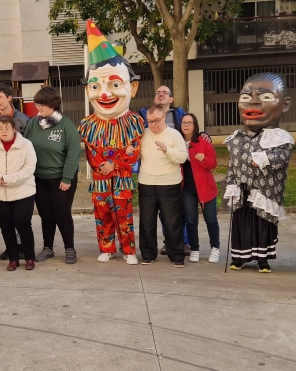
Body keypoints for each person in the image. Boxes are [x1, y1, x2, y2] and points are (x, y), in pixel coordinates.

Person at [78, 20, 144, 264]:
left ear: (132, 87)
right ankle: (107, 247)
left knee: (124, 215)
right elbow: (91, 153)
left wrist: (114, 165)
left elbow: (133, 152)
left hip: (124, 177)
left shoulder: (136, 122)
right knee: (102, 213)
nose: (104, 94)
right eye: (96, 86)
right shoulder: (87, 125)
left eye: (115, 84)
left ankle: (128, 251)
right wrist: (103, 167)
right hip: (99, 180)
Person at [223, 73, 294, 273]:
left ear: (285, 104)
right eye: (246, 97)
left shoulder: (281, 138)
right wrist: (232, 184)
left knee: (264, 224)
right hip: (243, 191)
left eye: (265, 97)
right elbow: (233, 165)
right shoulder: (235, 138)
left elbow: (280, 159)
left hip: (266, 192)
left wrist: (263, 159)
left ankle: (263, 259)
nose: (253, 102)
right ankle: (240, 257)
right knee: (242, 223)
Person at [24, 86, 81, 264]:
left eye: (42, 105)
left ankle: (69, 248)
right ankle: (48, 247)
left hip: (61, 178)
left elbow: (73, 153)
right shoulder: (33, 123)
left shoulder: (66, 125)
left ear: (54, 104)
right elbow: (25, 147)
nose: (38, 108)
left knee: (62, 214)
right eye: (37, 105)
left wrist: (66, 178)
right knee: (45, 214)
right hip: (39, 178)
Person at [0, 116, 37, 271]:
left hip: (22, 192)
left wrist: (8, 179)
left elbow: (29, 168)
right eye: (0, 127)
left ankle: (29, 257)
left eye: (7, 127)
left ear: (14, 128)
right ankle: (13, 258)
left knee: (23, 224)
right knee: (6, 227)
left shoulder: (26, 144)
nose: (3, 130)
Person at [138, 105, 188, 267]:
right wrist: (132, 150)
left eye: (156, 121)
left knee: (172, 221)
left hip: (169, 183)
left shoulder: (174, 135)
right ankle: (148, 253)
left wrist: (168, 150)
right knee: (147, 221)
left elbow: (182, 157)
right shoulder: (143, 134)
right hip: (146, 183)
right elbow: (135, 155)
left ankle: (176, 255)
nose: (152, 125)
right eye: (149, 121)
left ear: (164, 117)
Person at [0, 83, 29, 260]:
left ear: (9, 98)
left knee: (20, 217)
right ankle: (11, 247)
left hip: (19, 176)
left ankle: (25, 248)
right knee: (5, 217)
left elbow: (29, 148)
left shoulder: (24, 120)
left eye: (0, 97)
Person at [180, 114, 221, 263]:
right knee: (191, 220)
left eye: (189, 123)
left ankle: (215, 248)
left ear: (195, 125)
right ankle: (195, 249)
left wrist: (204, 158)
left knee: (211, 219)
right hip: (187, 188)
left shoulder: (203, 141)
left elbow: (213, 163)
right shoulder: (177, 142)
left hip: (205, 186)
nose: (186, 125)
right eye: (184, 122)